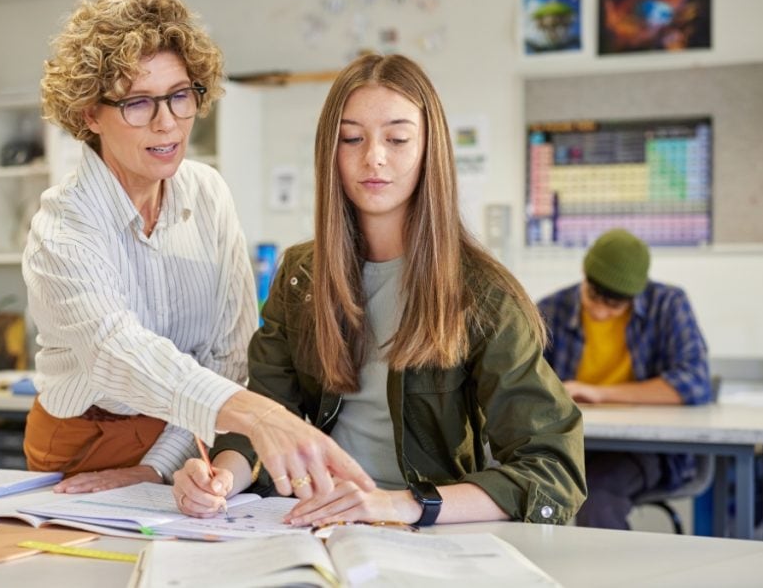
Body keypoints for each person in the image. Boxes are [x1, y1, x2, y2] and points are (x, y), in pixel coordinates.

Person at [171, 53, 586, 528]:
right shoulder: (301, 277)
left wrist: (401, 504)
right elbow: (264, 418)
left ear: (429, 149)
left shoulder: (483, 294)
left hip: (425, 536)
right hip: (304, 523)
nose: (374, 157)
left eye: (397, 139)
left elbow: (553, 470)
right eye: (352, 138)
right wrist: (220, 479)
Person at [25, 0, 372, 497]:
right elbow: (116, 353)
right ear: (90, 114)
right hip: (84, 443)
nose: (167, 122)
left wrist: (159, 466)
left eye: (179, 95)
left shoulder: (207, 194)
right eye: (138, 103)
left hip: (191, 435)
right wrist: (257, 414)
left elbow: (229, 353)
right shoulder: (63, 227)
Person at [537, 228, 712, 529]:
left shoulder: (667, 304)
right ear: (584, 275)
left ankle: (608, 563)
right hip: (571, 443)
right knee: (518, 484)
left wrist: (600, 393)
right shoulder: (550, 310)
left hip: (644, 447)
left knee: (598, 492)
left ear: (634, 296)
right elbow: (523, 381)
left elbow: (694, 383)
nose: (601, 312)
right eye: (593, 297)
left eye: (615, 306)